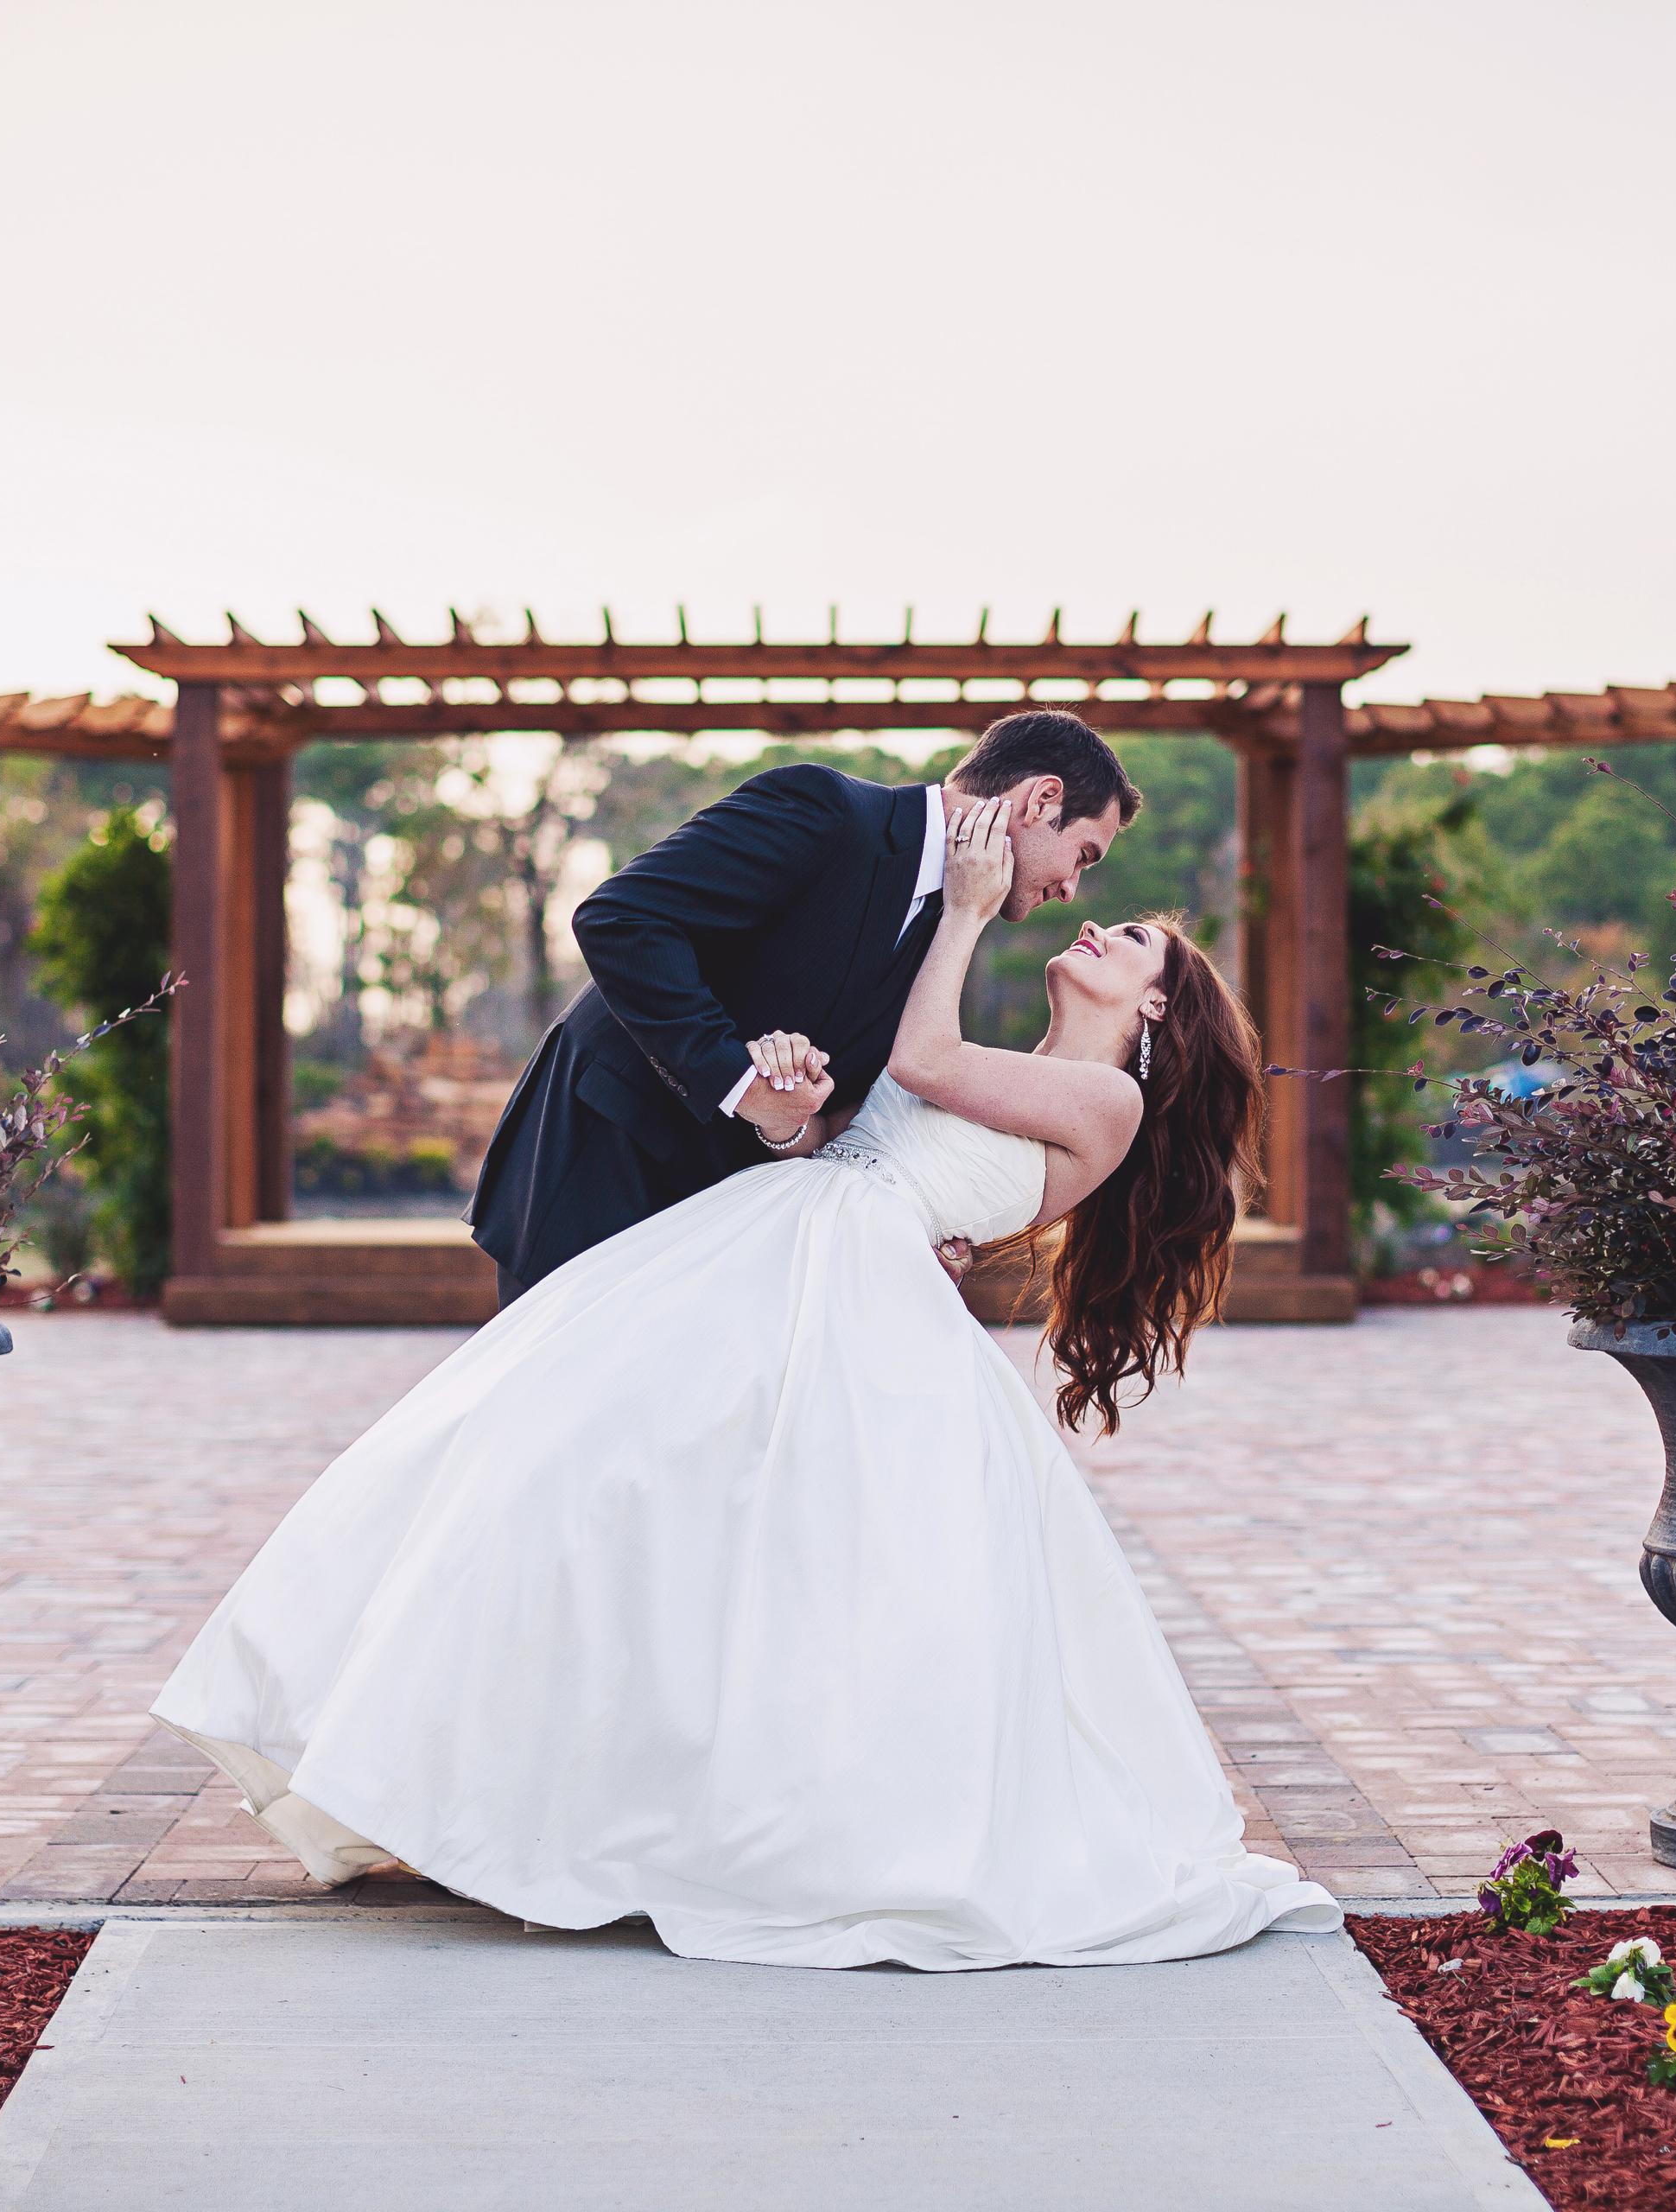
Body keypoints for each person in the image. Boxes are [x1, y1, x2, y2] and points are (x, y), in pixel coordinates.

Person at [152, 798, 1338, 1971]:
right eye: (1087, 877)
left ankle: (761, 1826)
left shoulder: (1108, 1101)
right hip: (776, 1246)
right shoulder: (1024, 1066)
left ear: (1158, 1004)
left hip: (849, 1308)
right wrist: (781, 1093)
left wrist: (966, 913)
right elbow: (853, 1137)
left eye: (1128, 941)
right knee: (589, 1488)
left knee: (786, 1568)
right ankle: (508, 1780)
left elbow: (921, 1069)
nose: (1091, 919)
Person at [467, 709, 1140, 1304]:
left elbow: (856, 1122)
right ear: (1041, 799)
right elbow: (623, 920)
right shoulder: (826, 811)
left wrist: (909, 1226)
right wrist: (738, 1084)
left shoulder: (951, 936)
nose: (1072, 889)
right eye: (1082, 854)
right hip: (599, 1168)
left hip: (718, 1232)